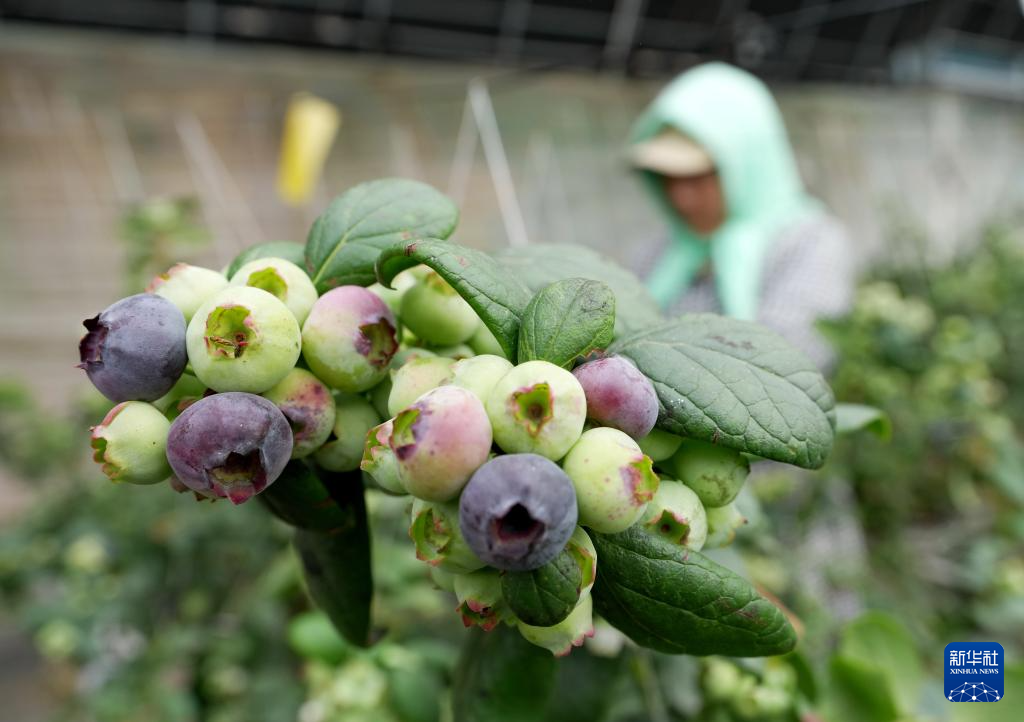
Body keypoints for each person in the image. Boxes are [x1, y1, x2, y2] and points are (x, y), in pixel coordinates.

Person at [628, 62, 854, 372]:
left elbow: (792, 361)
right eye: (667, 177)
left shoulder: (809, 242)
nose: (681, 197)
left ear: (748, 164)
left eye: (698, 177)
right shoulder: (660, 249)